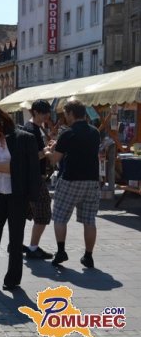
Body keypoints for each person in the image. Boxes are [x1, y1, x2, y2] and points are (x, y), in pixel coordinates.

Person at [0, 107, 39, 291]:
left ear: (1, 120)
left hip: (17, 196)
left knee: (16, 239)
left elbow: (25, 169)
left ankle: (12, 279)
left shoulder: (24, 138)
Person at [44, 99, 100, 269]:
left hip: (71, 179)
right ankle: (88, 256)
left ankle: (61, 252)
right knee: (89, 220)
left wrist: (47, 151)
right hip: (92, 180)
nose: (65, 117)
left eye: (66, 114)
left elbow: (55, 160)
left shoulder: (68, 133)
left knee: (60, 217)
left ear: (71, 114)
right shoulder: (95, 132)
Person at [22, 100, 54, 260]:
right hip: (34, 178)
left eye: (48, 112)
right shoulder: (31, 130)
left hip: (31, 178)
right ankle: (33, 248)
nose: (47, 116)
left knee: (24, 212)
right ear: (35, 112)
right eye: (44, 113)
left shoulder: (34, 128)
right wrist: (47, 151)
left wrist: (46, 148)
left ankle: (15, 244)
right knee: (43, 211)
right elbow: (31, 157)